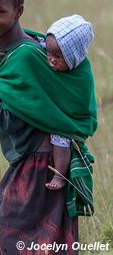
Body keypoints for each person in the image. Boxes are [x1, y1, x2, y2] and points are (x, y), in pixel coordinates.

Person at [0, 0, 97, 255]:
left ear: (18, 11)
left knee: (16, 245)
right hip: (33, 162)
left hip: (40, 167)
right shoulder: (19, 48)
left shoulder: (25, 55)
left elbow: (8, 120)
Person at [41, 14, 94, 190]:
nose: (51, 59)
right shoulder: (46, 52)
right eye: (48, 52)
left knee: (60, 139)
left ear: (74, 57)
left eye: (58, 56)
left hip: (68, 118)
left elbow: (79, 102)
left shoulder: (82, 75)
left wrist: (59, 117)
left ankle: (60, 175)